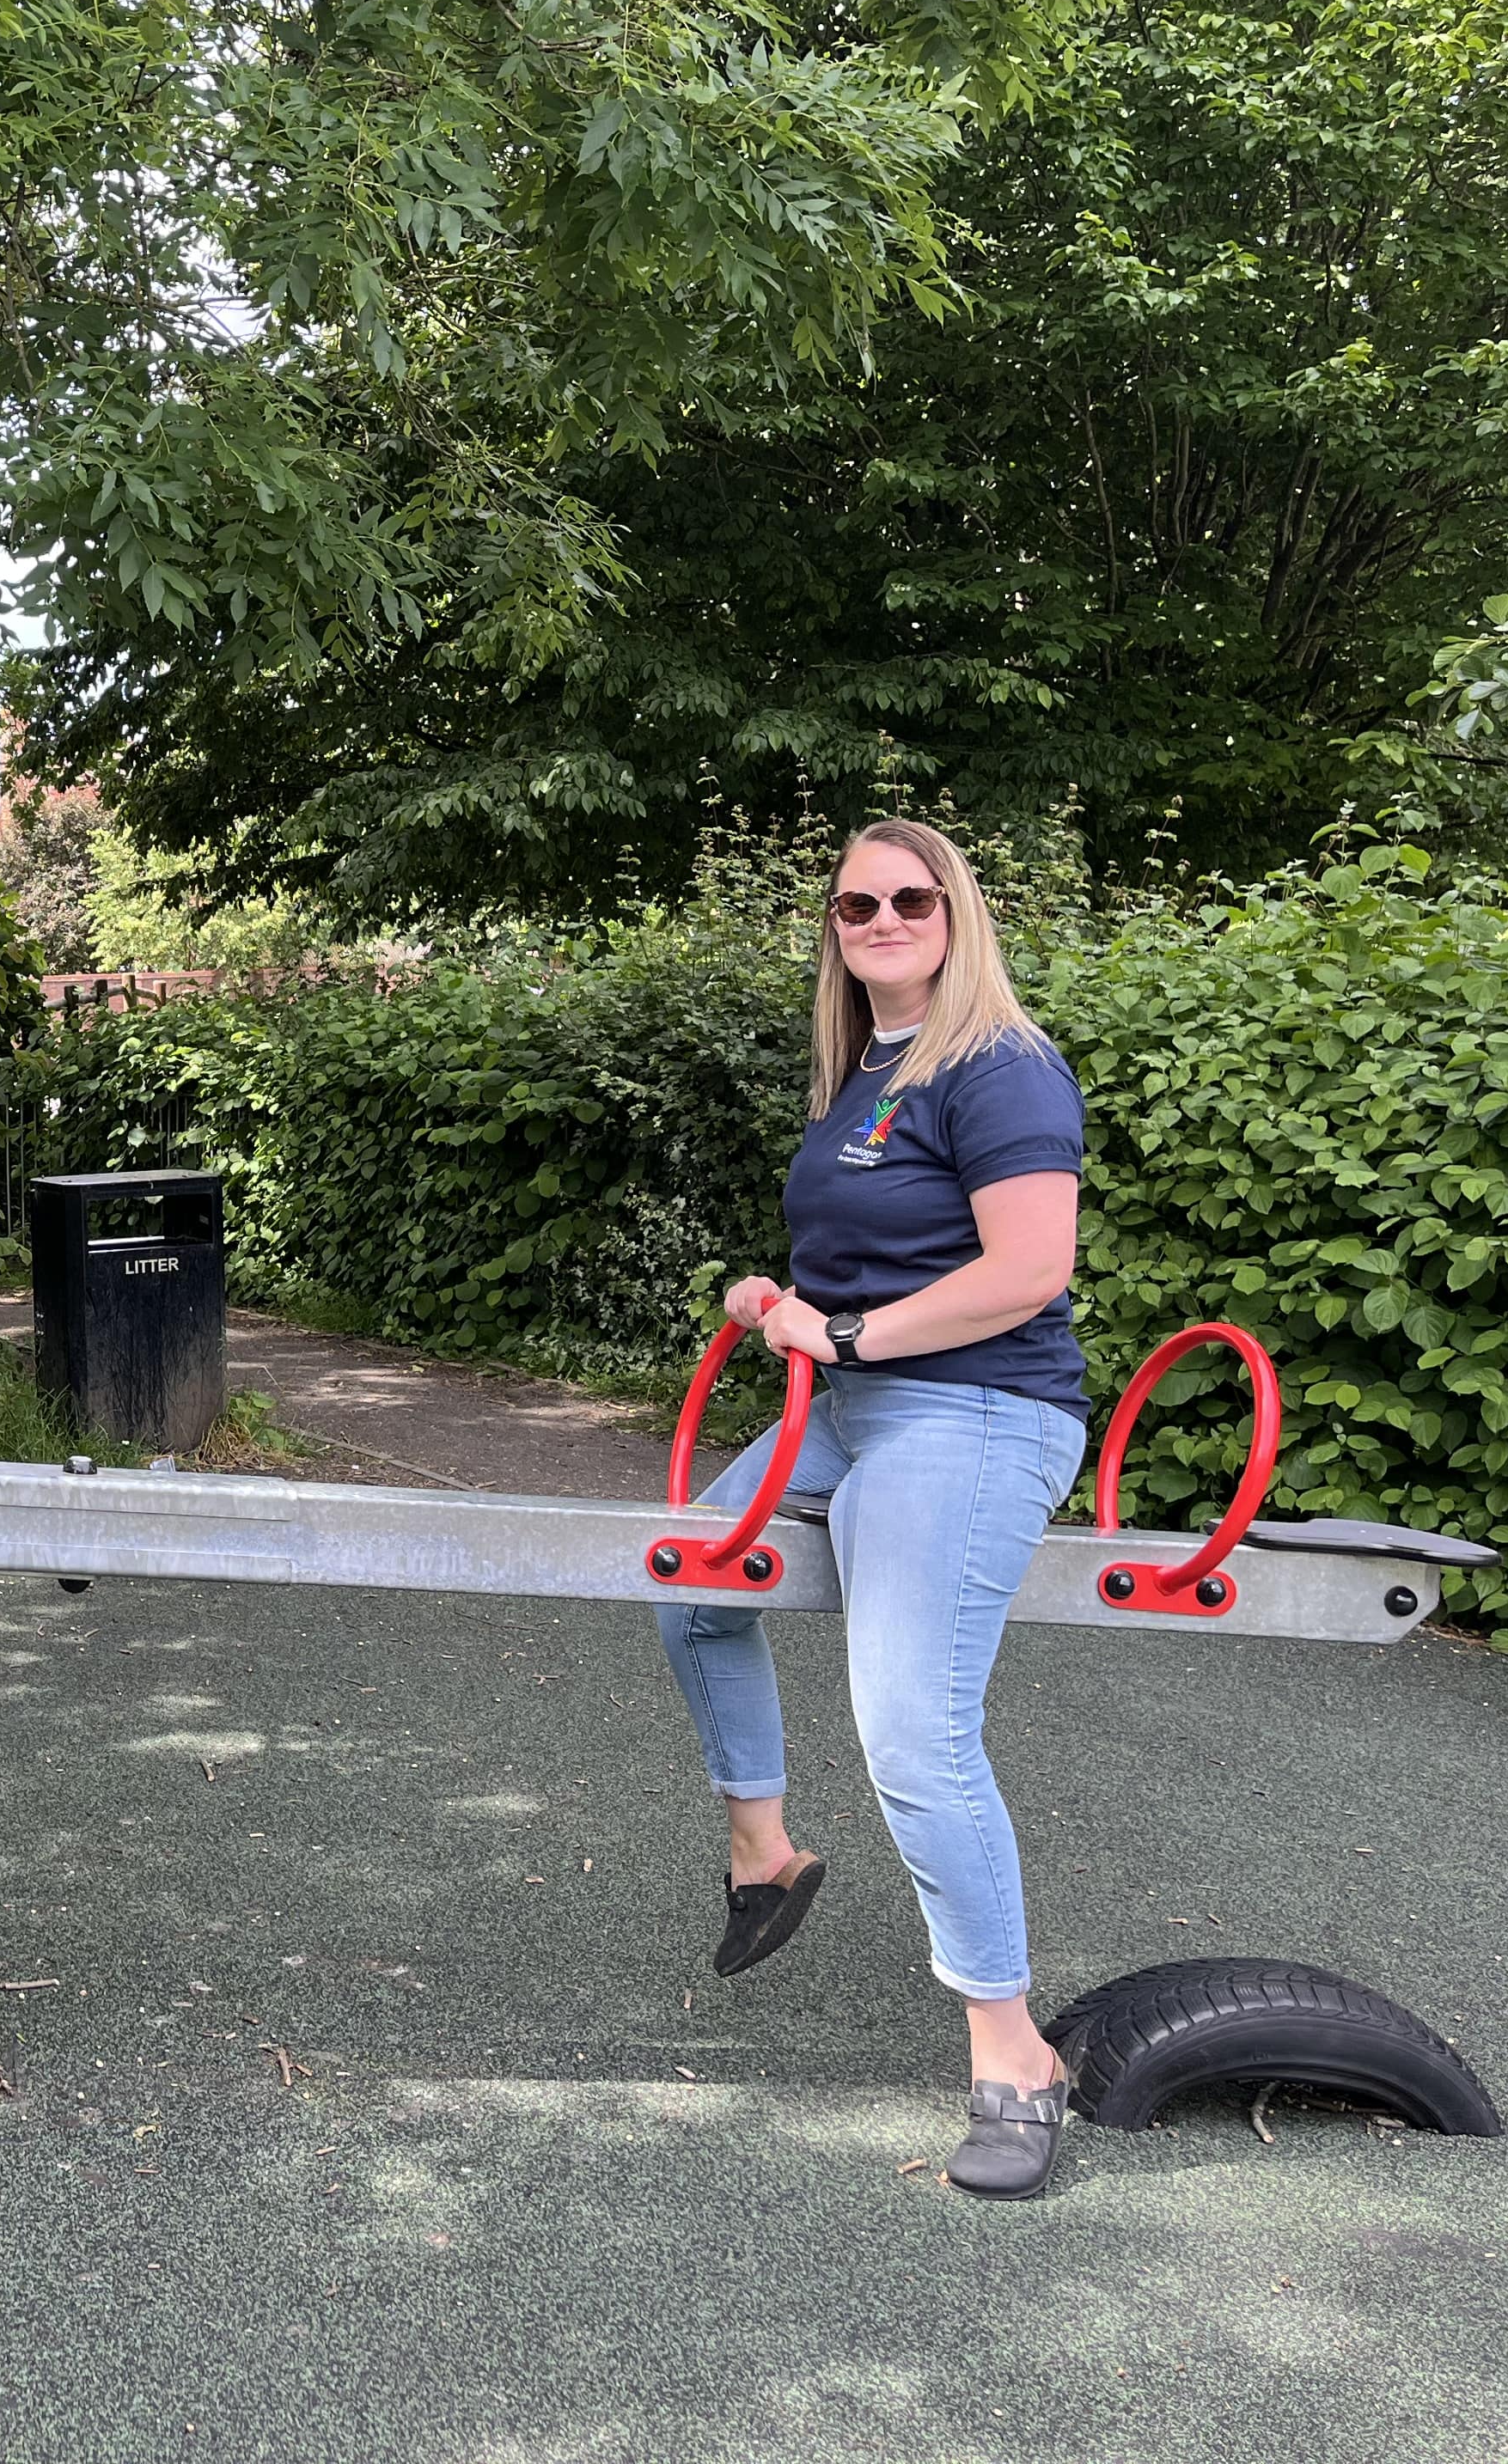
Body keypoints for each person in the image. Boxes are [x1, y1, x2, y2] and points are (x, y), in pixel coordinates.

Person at [658, 818, 1089, 2199]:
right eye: (858, 902)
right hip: (848, 1410)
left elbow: (1026, 1271)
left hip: (973, 1415)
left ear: (957, 914)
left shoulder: (1002, 1066)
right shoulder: (860, 1075)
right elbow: (848, 1265)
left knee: (911, 1724)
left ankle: (1014, 2055)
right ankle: (768, 1854)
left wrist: (845, 1341)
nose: (884, 918)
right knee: (690, 1578)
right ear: (835, 925)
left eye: (913, 898)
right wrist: (773, 1303)